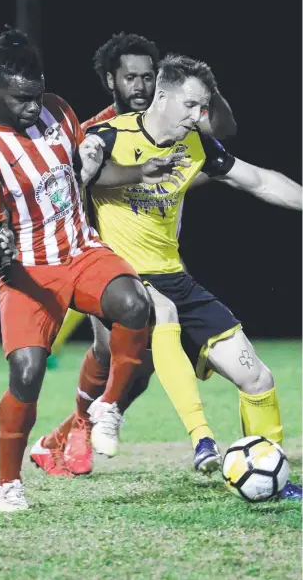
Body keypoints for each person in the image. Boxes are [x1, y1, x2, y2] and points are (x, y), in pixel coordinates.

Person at [38, 53, 302, 501]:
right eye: (191, 106)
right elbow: (79, 178)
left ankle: (269, 473)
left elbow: (257, 180)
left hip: (175, 277)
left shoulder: (195, 145)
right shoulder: (106, 136)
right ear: (162, 96)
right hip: (122, 279)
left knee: (257, 378)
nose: (199, 117)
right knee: (150, 325)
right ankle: (199, 438)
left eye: (203, 108)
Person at [0, 27, 185, 512]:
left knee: (134, 305)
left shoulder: (57, 110)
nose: (30, 106)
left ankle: (106, 409)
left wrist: (139, 172)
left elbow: (89, 171)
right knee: (27, 374)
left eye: (35, 95)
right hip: (29, 271)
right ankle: (7, 482)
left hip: (80, 250)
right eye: (20, 99)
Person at [48, 32, 236, 365]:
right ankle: (82, 401)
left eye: (147, 77)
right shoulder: (95, 132)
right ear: (111, 80)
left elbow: (223, 129)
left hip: (156, 250)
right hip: (104, 253)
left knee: (140, 356)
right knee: (115, 355)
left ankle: (94, 412)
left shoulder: (170, 121)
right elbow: (67, 190)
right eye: (130, 77)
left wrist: (209, 88)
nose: (140, 86)